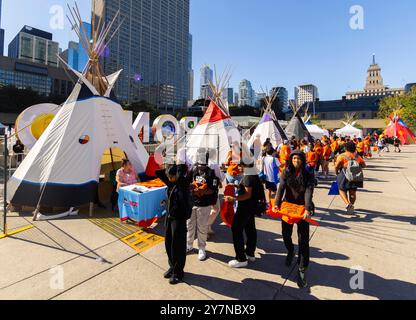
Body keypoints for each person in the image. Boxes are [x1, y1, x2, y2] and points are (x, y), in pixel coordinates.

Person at [274, 150, 315, 288]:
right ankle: (290, 250)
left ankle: (302, 268)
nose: (296, 161)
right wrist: (276, 204)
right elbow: (281, 188)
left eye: (299, 158)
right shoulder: (286, 172)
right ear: (291, 160)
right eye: (294, 158)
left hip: (303, 209)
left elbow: (309, 191)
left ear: (303, 160)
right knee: (285, 234)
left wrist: (308, 209)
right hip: (288, 208)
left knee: (303, 240)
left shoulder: (308, 174)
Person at [156, 164, 192, 285]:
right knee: (169, 243)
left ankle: (178, 272)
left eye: (170, 176)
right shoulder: (171, 182)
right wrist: (170, 167)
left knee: (178, 246)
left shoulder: (183, 184)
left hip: (179, 219)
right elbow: (158, 172)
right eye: (168, 176)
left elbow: (187, 205)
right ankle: (172, 267)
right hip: (169, 217)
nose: (168, 178)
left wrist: (179, 173)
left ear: (176, 176)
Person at [225, 162, 263, 268]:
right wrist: (237, 185)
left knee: (236, 229)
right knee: (250, 229)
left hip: (245, 208)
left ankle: (241, 258)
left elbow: (247, 194)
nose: (239, 168)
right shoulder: (252, 175)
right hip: (251, 208)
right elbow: (248, 189)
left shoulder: (248, 177)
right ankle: (250, 253)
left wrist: (233, 199)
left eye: (241, 166)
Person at [188, 149, 219, 261]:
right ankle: (189, 244)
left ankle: (202, 248)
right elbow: (188, 183)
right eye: (199, 165)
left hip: (204, 204)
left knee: (202, 227)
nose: (200, 167)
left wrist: (201, 191)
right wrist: (193, 189)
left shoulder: (211, 173)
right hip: (192, 203)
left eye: (202, 165)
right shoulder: (194, 170)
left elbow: (214, 189)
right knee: (190, 225)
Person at [335, 142, 366, 215]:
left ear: (345, 148)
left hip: (344, 174)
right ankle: (351, 204)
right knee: (353, 192)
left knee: (341, 189)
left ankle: (348, 204)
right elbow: (364, 165)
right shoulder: (357, 156)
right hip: (356, 175)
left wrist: (337, 173)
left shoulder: (342, 156)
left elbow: (337, 165)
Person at [207, 148, 225, 237]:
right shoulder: (214, 164)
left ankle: (208, 227)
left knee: (207, 209)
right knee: (216, 209)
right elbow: (220, 177)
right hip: (212, 190)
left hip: (202, 190)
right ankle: (206, 226)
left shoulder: (199, 163)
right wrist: (223, 171)